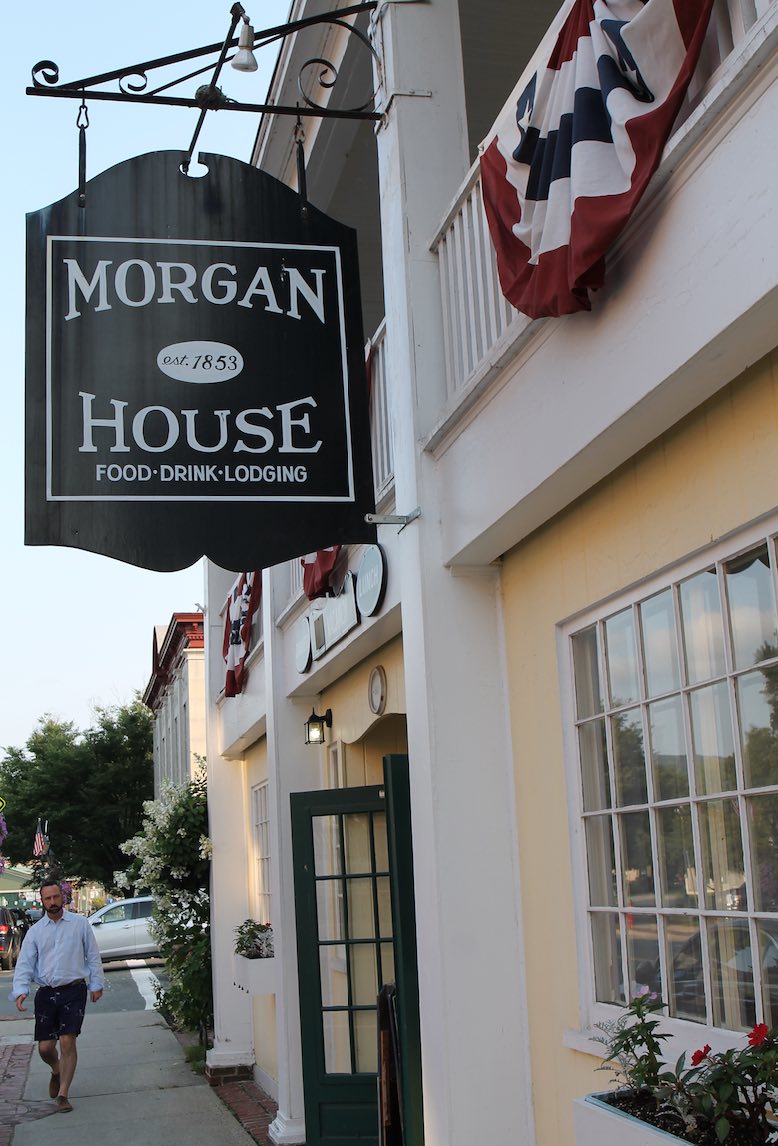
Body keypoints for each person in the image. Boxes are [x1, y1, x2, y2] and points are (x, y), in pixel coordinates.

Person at [9, 878, 104, 1113]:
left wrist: (96, 984)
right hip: (46, 994)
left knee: (67, 1040)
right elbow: (25, 963)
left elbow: (93, 955)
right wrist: (20, 990)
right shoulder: (35, 932)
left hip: (74, 990)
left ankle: (63, 1094)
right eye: (48, 898)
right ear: (42, 901)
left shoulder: (79, 924)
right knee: (45, 1048)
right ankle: (56, 1069)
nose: (52, 902)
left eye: (55, 897)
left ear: (62, 897)